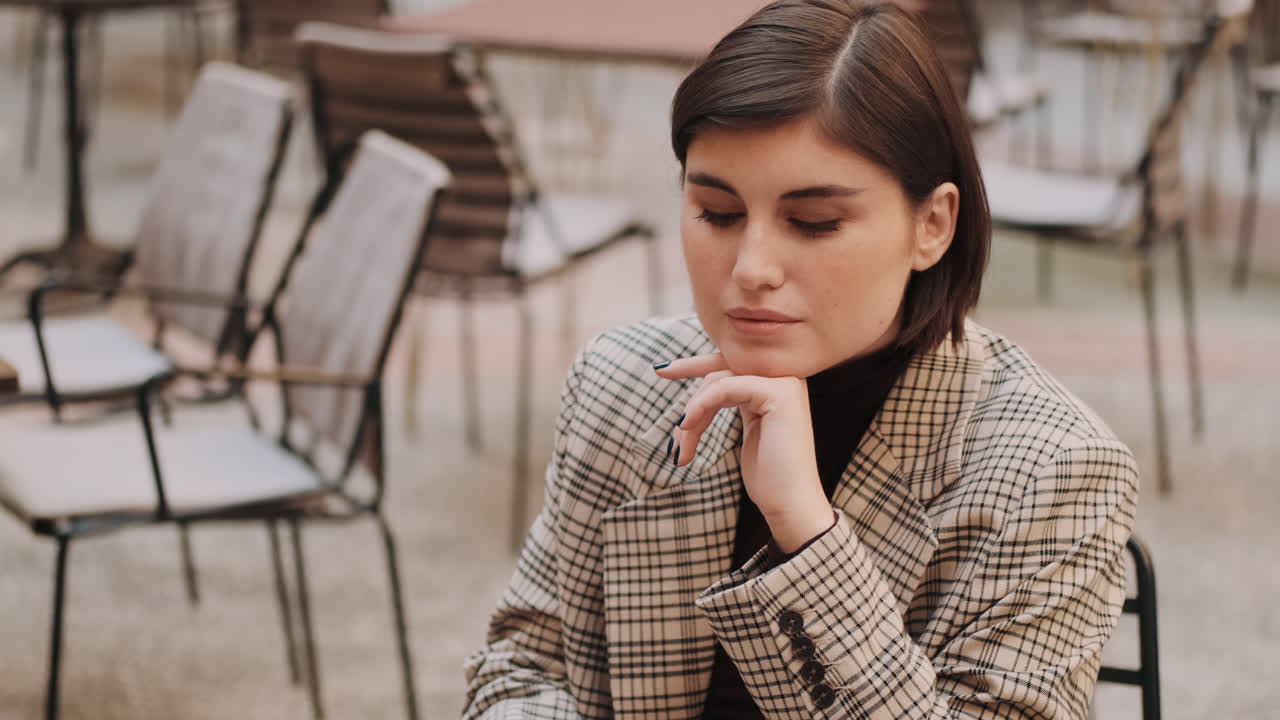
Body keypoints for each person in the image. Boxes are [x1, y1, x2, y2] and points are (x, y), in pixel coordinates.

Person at [463, 1, 1139, 718]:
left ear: (933, 225)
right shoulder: (625, 383)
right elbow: (521, 672)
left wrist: (807, 534)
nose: (752, 268)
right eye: (718, 214)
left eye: (814, 223)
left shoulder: (1052, 469)